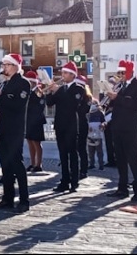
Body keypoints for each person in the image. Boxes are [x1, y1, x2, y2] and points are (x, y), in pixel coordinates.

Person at [0, 53, 31, 213]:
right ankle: (7, 198)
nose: (4, 67)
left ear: (15, 66)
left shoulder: (23, 83)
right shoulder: (4, 84)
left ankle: (24, 200)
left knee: (17, 164)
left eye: (7, 64)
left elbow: (18, 105)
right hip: (2, 128)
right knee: (5, 165)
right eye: (3, 64)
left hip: (15, 128)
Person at [105, 59, 137, 203]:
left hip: (130, 128)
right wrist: (110, 97)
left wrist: (118, 97)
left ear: (129, 72)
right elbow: (114, 105)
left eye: (122, 72)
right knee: (120, 159)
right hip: (117, 126)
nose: (119, 75)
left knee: (134, 159)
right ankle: (122, 188)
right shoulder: (120, 86)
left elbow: (135, 105)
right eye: (118, 72)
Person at [46, 61, 86, 193]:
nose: (62, 75)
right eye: (62, 72)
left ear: (72, 74)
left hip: (71, 125)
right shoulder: (61, 88)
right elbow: (49, 103)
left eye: (65, 72)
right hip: (60, 124)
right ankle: (64, 180)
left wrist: (57, 91)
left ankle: (74, 181)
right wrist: (49, 90)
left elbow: (72, 104)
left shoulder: (78, 88)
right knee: (62, 154)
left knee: (72, 153)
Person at [24, 71, 46, 173]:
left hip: (36, 121)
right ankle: (32, 163)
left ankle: (39, 164)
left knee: (36, 142)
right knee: (29, 141)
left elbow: (40, 105)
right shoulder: (27, 92)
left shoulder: (38, 91)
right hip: (28, 120)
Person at [75, 75, 92, 180]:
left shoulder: (87, 97)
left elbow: (84, 110)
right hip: (73, 123)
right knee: (74, 148)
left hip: (82, 123)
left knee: (81, 148)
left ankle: (84, 170)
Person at [87, 102, 105, 171]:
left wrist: (103, 125)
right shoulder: (88, 113)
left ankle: (101, 165)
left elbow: (104, 121)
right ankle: (92, 164)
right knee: (91, 150)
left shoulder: (100, 113)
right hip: (90, 134)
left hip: (98, 134)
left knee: (99, 150)